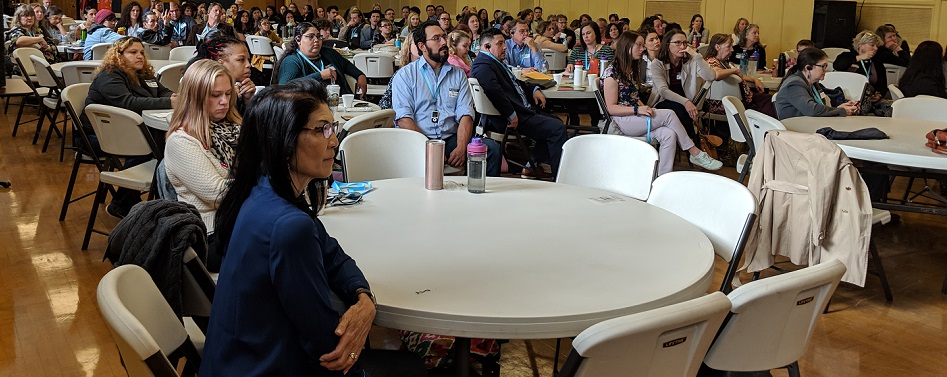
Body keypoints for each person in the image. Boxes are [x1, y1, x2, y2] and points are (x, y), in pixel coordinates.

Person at [201, 78, 427, 377]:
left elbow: (332, 253)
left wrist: (362, 297)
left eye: (331, 128)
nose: (333, 140)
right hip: (268, 366)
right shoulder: (288, 225)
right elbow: (329, 351)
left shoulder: (263, 192)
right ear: (283, 141)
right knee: (410, 369)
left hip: (238, 361)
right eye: (321, 130)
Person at [83, 37, 177, 218]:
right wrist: (169, 102)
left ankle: (142, 199)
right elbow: (129, 102)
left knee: (161, 137)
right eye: (133, 52)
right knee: (156, 141)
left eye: (141, 52)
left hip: (126, 131)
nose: (139, 56)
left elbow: (161, 91)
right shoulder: (110, 75)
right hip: (98, 136)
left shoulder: (142, 73)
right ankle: (125, 202)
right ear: (118, 55)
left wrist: (174, 96)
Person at [393, 21, 501, 178]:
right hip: (418, 139)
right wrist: (429, 147)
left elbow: (466, 114)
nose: (444, 42)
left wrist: (461, 146)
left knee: (492, 150)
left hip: (450, 138)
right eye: (436, 38)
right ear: (422, 46)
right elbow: (403, 120)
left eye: (443, 36)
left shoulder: (457, 74)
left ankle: (482, 200)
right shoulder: (405, 76)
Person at [604, 31, 721, 175]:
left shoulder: (628, 70)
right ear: (627, 46)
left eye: (642, 45)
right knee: (670, 114)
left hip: (634, 116)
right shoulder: (612, 73)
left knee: (669, 134)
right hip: (623, 120)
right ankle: (694, 152)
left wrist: (640, 106)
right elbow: (610, 108)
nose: (643, 49)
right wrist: (637, 110)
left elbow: (633, 98)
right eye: (639, 45)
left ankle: (662, 177)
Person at [164, 60, 242, 272]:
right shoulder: (181, 141)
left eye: (228, 94)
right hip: (209, 236)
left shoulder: (235, 128)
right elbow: (217, 193)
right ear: (195, 97)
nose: (224, 102)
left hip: (239, 221)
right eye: (215, 95)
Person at [472, 27, 568, 175]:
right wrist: (511, 114)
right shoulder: (483, 64)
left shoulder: (493, 61)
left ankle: (531, 165)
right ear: (487, 47)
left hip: (520, 111)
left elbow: (514, 84)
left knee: (554, 122)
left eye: (504, 43)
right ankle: (560, 178)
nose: (505, 47)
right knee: (557, 128)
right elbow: (493, 90)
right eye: (500, 44)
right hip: (509, 119)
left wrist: (534, 89)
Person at [650, 29, 717, 144]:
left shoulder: (689, 61)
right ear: (667, 45)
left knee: (682, 110)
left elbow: (710, 76)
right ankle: (694, 145)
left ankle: (693, 148)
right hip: (663, 102)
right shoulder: (657, 63)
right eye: (678, 43)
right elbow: (663, 91)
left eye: (685, 43)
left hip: (685, 103)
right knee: (680, 109)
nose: (682, 46)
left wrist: (696, 55)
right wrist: (685, 102)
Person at [276, 22, 368, 98]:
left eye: (318, 36)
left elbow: (346, 65)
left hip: (339, 102)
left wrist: (360, 75)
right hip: (308, 106)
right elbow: (284, 89)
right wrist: (320, 76)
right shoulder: (291, 61)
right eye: (311, 36)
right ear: (298, 40)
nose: (316, 40)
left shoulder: (328, 53)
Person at [702, 33, 776, 117]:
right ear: (717, 47)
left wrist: (754, 80)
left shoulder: (723, 62)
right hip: (728, 103)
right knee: (770, 104)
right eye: (728, 47)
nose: (732, 50)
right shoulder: (711, 62)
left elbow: (737, 76)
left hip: (740, 99)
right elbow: (716, 74)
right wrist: (735, 70)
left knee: (770, 99)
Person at [775, 47, 858, 119]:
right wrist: (841, 111)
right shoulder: (794, 85)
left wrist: (839, 108)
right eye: (823, 66)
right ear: (808, 68)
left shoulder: (813, 84)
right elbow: (812, 110)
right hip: (794, 130)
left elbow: (820, 108)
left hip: (809, 124)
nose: (825, 70)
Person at [189, 36, 256, 112]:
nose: (248, 65)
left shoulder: (244, 87)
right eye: (241, 60)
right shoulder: (203, 90)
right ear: (220, 63)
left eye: (248, 60)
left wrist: (248, 101)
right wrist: (232, 102)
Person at [833, 30, 888, 98]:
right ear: (861, 45)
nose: (876, 48)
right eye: (872, 45)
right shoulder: (847, 56)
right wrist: (859, 57)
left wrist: (879, 95)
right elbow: (837, 66)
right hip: (847, 95)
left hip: (868, 97)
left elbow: (883, 85)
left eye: (877, 46)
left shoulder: (877, 62)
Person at [6, 4, 58, 70]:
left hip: (43, 65)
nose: (30, 18)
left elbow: (51, 43)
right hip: (28, 67)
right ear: (18, 18)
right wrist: (40, 39)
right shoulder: (16, 30)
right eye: (26, 16)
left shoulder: (37, 30)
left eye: (31, 15)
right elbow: (18, 41)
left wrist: (48, 48)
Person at [379, 33, 420, 110]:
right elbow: (386, 102)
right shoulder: (402, 74)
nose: (421, 46)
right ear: (409, 46)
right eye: (417, 43)